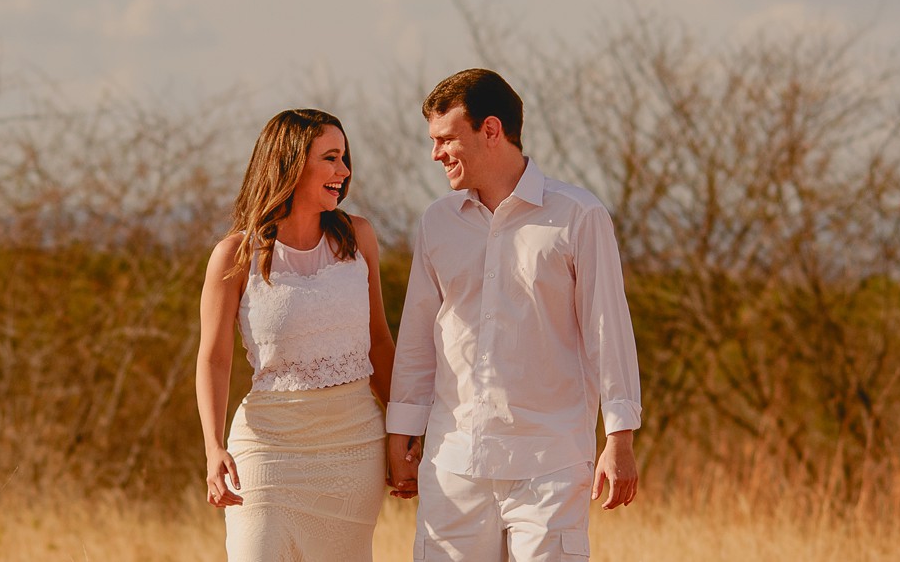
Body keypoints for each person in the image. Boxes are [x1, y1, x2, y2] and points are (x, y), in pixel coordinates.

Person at [386, 68, 642, 560]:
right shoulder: (437, 222)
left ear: (490, 130)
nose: (436, 153)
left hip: (550, 463)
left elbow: (606, 330)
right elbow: (418, 335)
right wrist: (402, 432)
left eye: (446, 139)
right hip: (453, 462)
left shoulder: (578, 215)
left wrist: (620, 436)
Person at [195, 108, 397, 561]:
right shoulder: (236, 254)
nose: (343, 172)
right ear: (290, 162)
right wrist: (213, 447)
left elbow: (379, 340)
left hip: (353, 447)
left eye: (344, 158)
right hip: (268, 449)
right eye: (330, 158)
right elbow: (214, 358)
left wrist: (405, 431)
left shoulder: (358, 238)